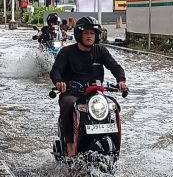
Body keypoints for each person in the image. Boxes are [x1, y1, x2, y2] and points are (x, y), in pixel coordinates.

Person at [49, 16, 128, 157]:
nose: (89, 36)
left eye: (92, 33)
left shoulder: (101, 51)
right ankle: (70, 144)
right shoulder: (67, 52)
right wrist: (59, 82)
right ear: (79, 34)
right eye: (86, 33)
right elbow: (56, 71)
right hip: (73, 93)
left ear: (96, 35)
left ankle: (116, 144)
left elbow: (115, 66)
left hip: (95, 94)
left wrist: (121, 80)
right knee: (68, 104)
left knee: (113, 106)